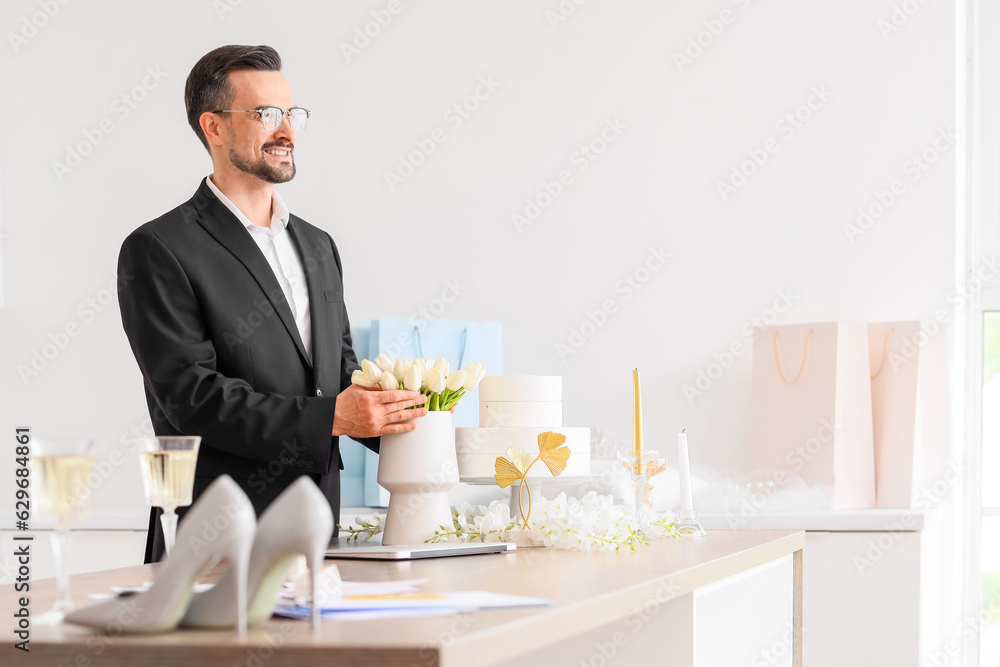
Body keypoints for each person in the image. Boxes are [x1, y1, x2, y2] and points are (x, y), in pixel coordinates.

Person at [117, 45, 427, 563]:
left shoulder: (318, 244)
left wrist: (422, 419)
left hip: (321, 533)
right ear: (212, 127)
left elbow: (341, 374)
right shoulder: (158, 248)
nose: (286, 131)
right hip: (214, 538)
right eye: (265, 114)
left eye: (291, 113)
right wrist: (334, 417)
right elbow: (191, 398)